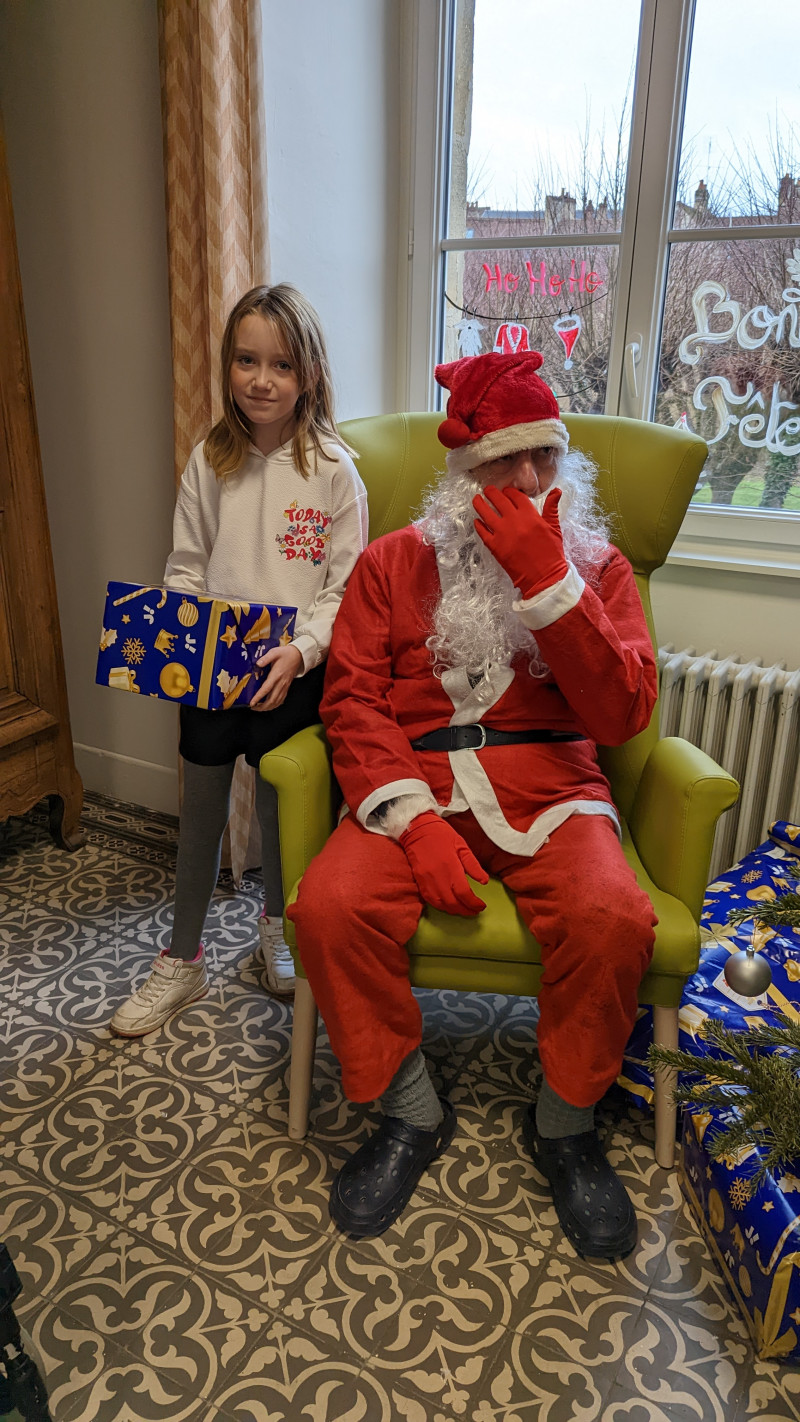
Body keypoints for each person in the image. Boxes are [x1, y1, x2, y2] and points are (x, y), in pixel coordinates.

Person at [288, 349, 658, 1260]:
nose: (528, 482)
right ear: (463, 473)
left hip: (555, 791)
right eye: (505, 461)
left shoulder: (599, 570)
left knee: (613, 917)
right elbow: (353, 702)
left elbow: (621, 713)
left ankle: (566, 1126)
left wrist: (549, 584)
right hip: (415, 787)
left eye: (545, 459)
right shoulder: (389, 564)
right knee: (329, 910)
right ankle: (408, 1113)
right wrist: (412, 822)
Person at [110, 283, 368, 1037]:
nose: (262, 379)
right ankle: (181, 959)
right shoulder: (210, 460)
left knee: (282, 814)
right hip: (212, 670)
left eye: (281, 365)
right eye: (246, 361)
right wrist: (184, 643)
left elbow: (345, 589)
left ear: (309, 374)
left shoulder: (333, 472)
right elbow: (185, 565)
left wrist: (300, 650)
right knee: (203, 817)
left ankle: (275, 931)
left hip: (294, 672)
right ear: (228, 367)